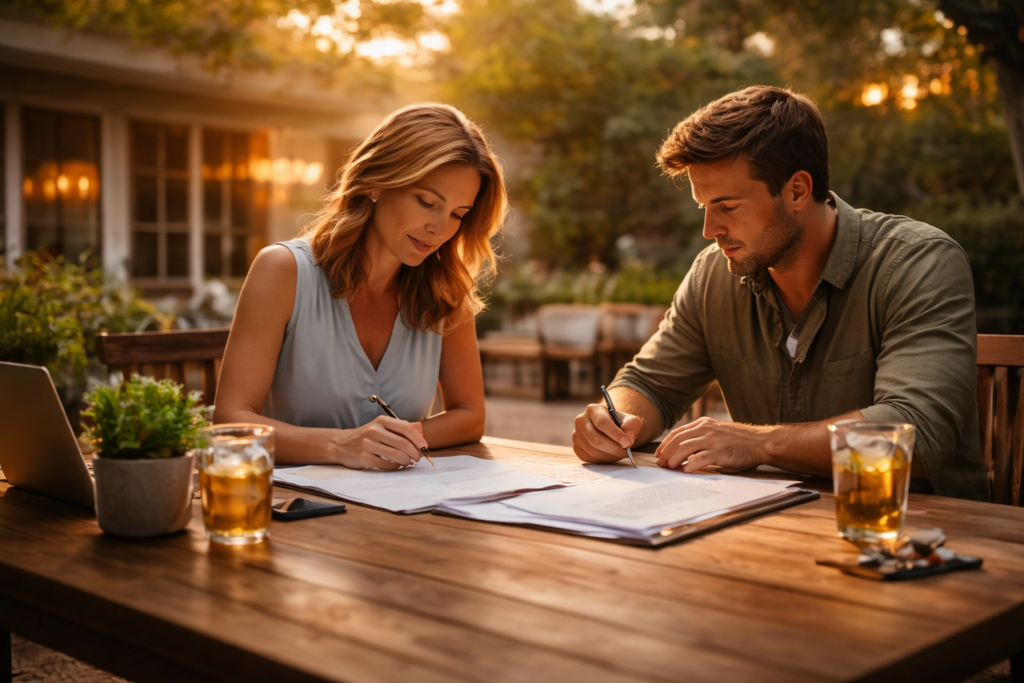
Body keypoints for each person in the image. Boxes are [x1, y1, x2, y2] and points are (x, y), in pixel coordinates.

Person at [572, 85, 989, 501]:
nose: (709, 230)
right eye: (704, 207)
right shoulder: (713, 274)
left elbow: (916, 431)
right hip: (772, 529)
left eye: (728, 207)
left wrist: (759, 443)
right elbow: (649, 383)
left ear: (797, 191)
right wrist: (617, 420)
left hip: (922, 536)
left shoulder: (918, 263)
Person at [214, 103, 506, 469]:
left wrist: (394, 442)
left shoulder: (446, 290)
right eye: (427, 202)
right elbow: (230, 421)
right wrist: (339, 445)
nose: (439, 228)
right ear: (375, 183)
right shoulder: (283, 270)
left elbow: (469, 416)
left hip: (397, 510)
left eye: (457, 215)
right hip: (295, 511)